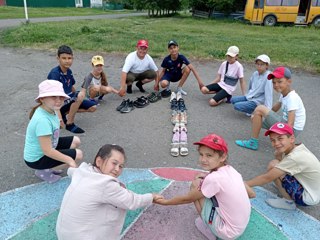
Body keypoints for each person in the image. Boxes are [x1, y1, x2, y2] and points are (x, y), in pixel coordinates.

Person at [155, 133, 251, 240]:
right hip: (241, 225)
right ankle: (214, 220)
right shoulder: (232, 170)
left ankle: (209, 229)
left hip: (227, 232)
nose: (203, 159)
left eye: (209, 155)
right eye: (201, 154)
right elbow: (252, 194)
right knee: (203, 184)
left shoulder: (214, 179)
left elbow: (187, 198)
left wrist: (165, 202)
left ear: (223, 157)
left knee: (195, 185)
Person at [56, 144, 162, 240]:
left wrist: (71, 166)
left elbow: (72, 171)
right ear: (99, 161)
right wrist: (151, 197)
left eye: (120, 166)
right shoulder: (105, 184)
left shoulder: (83, 170)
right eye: (114, 163)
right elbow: (132, 201)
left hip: (63, 233)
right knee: (114, 208)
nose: (117, 169)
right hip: (80, 237)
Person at [245, 122, 320, 210]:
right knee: (277, 163)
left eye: (280, 138)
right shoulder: (298, 148)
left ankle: (288, 202)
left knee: (273, 166)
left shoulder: (294, 157)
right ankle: (285, 188)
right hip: (313, 190)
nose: (276, 143)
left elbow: (267, 178)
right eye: (272, 140)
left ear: (291, 139)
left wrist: (244, 184)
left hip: (307, 197)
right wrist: (279, 153)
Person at [24, 80, 83, 183]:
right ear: (42, 99)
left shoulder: (51, 108)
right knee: (78, 155)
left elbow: (57, 112)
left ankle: (52, 166)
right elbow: (47, 151)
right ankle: (44, 171)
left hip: (49, 145)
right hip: (37, 158)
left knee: (76, 141)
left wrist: (60, 120)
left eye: (61, 97)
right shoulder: (42, 121)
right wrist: (69, 160)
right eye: (53, 97)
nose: (59, 100)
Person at [235, 66, 306, 150]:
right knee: (256, 116)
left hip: (292, 129)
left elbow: (290, 124)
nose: (276, 85)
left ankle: (253, 142)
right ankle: (260, 140)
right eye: (274, 82)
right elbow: (275, 108)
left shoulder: (292, 98)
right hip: (285, 122)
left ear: (289, 81)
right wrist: (263, 117)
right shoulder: (284, 94)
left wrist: (288, 141)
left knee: (260, 108)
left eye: (279, 82)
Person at [47, 45, 97, 134]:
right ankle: (69, 123)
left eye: (69, 58)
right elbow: (52, 95)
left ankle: (65, 113)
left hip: (67, 100)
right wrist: (58, 116)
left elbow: (71, 87)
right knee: (79, 96)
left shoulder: (69, 71)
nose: (67, 61)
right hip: (58, 102)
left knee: (93, 107)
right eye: (64, 58)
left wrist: (78, 99)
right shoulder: (55, 74)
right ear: (58, 58)